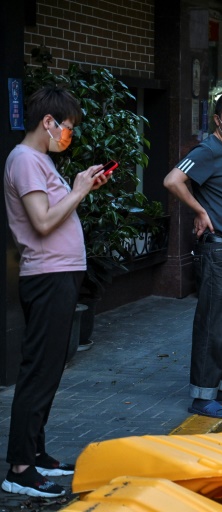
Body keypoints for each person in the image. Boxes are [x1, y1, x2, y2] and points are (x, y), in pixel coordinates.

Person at [3, 85, 109, 498]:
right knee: (39, 370)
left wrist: (81, 189)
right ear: (48, 122)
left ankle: (37, 452)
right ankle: (19, 468)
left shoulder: (37, 160)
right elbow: (43, 223)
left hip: (60, 274)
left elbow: (54, 214)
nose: (69, 136)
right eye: (66, 128)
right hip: (47, 276)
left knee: (50, 366)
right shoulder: (26, 160)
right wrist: (79, 189)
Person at [163, 92, 222, 420]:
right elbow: (172, 180)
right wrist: (200, 211)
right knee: (213, 324)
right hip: (220, 249)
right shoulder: (208, 149)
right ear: (218, 119)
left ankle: (221, 388)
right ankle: (202, 397)